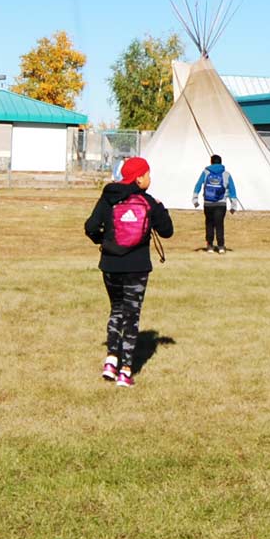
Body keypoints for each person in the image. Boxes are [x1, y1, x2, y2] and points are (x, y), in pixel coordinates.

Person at [84, 157, 174, 388]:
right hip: (137, 266)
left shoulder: (108, 197)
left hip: (110, 265)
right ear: (139, 177)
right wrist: (160, 207)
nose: (149, 179)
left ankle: (110, 361)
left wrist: (103, 242)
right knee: (131, 317)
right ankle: (125, 371)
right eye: (147, 175)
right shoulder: (148, 201)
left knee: (116, 310)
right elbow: (167, 232)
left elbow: (90, 227)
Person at [192, 154, 239, 254]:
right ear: (221, 163)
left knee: (209, 223)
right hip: (221, 204)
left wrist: (195, 200)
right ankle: (221, 246)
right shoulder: (226, 174)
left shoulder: (205, 172)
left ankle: (209, 246)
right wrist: (233, 205)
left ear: (211, 162)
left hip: (208, 203)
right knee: (219, 224)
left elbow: (198, 185)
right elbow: (232, 190)